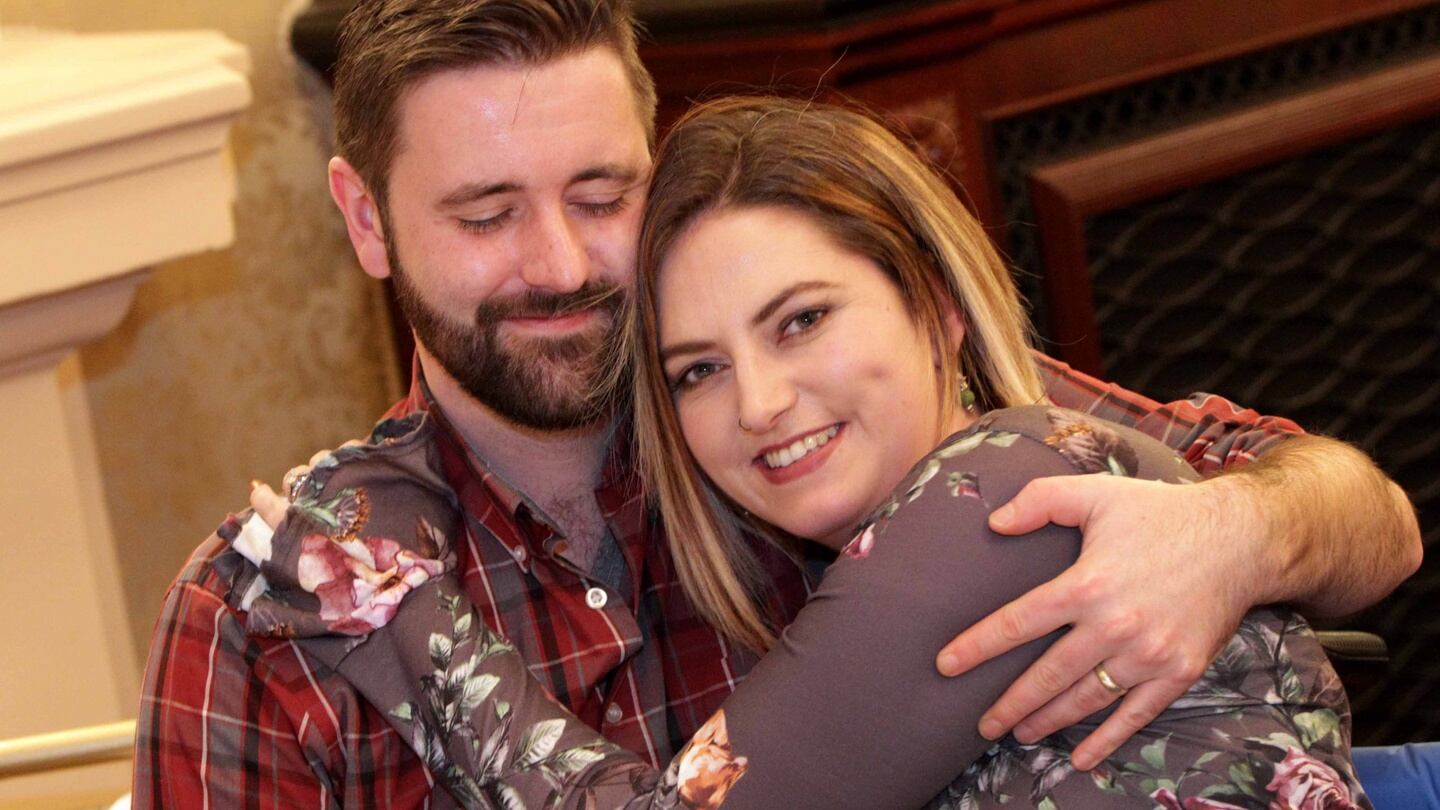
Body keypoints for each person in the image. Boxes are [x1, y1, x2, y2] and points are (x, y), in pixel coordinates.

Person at [131, 1, 1420, 807]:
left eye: (600, 196)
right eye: (485, 215)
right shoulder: (259, 617)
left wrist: (1237, 534)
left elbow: (1363, 511)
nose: (565, 265)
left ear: (935, 308)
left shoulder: (908, 439)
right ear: (366, 220)